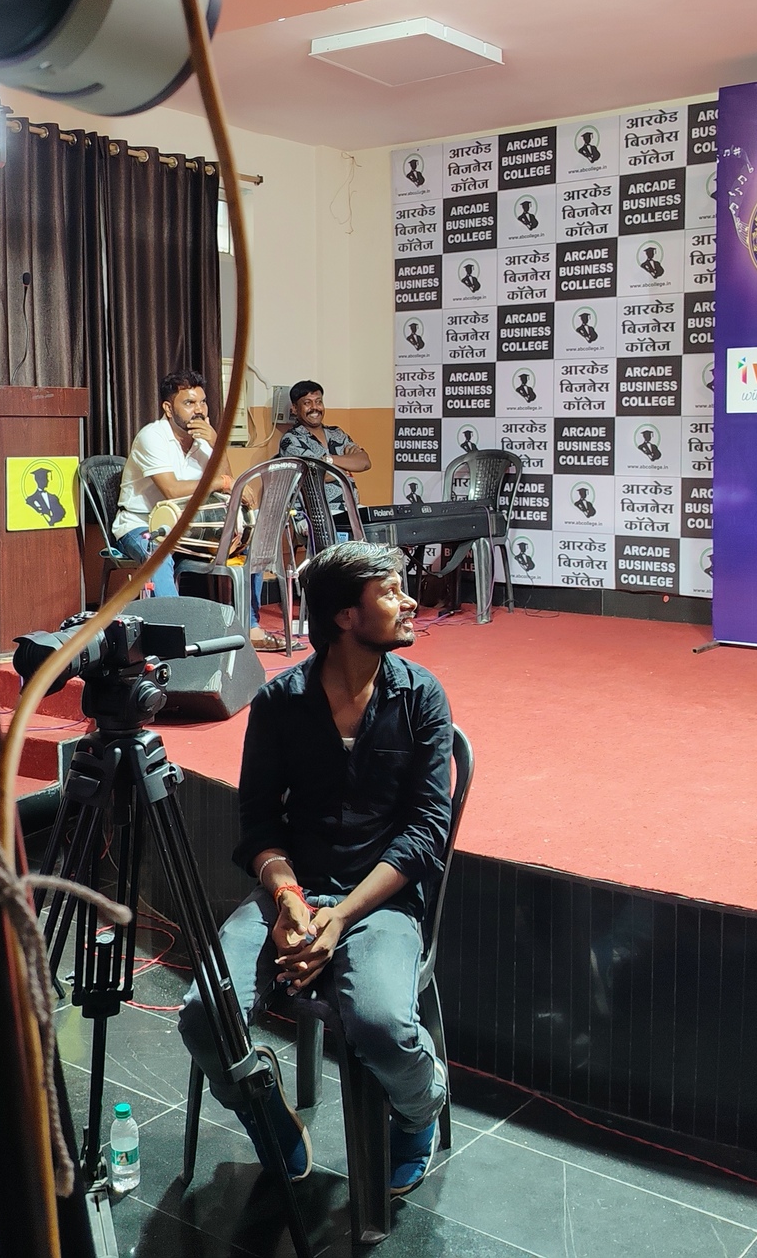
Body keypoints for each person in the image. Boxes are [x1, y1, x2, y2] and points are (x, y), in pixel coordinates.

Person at [178, 542, 453, 1196]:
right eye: (391, 592)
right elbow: (258, 823)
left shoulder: (421, 697)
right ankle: (265, 1111)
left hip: (381, 901)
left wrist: (341, 917)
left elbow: (426, 833)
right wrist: (290, 901)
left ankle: (419, 1108)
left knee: (382, 1025)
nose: (410, 602)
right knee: (202, 1015)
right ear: (346, 617)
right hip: (292, 893)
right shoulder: (280, 702)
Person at [112, 369, 235, 600]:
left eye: (203, 402)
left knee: (244, 541)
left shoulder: (204, 440)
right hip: (143, 525)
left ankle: (247, 619)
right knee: (159, 556)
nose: (199, 410)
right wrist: (222, 482)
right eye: (189, 403)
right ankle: (173, 621)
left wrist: (216, 443)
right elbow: (172, 490)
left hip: (189, 528)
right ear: (168, 409)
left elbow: (227, 487)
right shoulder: (152, 436)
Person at [275, 380, 372, 534]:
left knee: (382, 529)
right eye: (307, 403)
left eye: (318, 402)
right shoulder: (291, 440)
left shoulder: (337, 433)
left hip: (351, 508)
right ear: (294, 408)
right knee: (353, 536)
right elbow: (318, 476)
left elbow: (365, 462)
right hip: (315, 515)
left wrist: (329, 461)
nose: (315, 407)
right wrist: (347, 464)